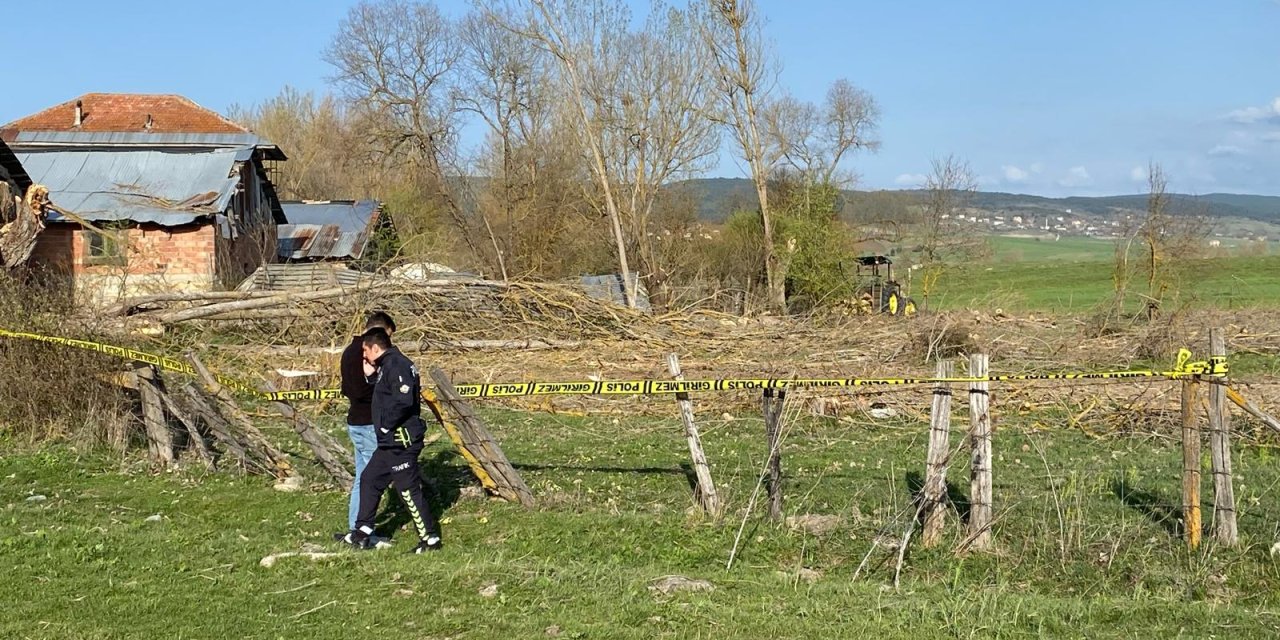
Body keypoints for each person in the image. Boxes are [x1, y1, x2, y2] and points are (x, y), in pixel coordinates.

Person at [343, 327, 443, 553]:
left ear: (375, 348)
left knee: (407, 490)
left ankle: (430, 539)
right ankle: (362, 531)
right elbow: (385, 394)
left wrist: (386, 425)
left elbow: (403, 401)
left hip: (401, 440)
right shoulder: (385, 366)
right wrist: (370, 378)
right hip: (389, 443)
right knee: (370, 478)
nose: (364, 357)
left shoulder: (397, 365)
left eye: (366, 351)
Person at [336, 311, 395, 545]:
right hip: (369, 423)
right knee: (374, 479)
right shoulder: (363, 354)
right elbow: (361, 390)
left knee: (362, 477)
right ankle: (363, 533)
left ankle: (355, 527)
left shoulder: (349, 351)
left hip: (357, 422)